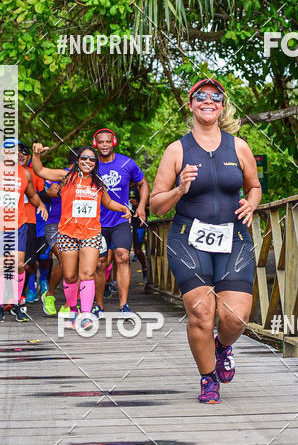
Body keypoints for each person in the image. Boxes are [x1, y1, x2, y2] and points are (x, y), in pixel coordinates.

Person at [150, 78, 261, 403]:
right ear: (191, 104)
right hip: (189, 239)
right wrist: (179, 190)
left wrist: (252, 203)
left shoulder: (238, 146)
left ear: (222, 105)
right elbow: (155, 205)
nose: (208, 101)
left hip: (234, 237)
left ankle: (222, 346)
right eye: (201, 96)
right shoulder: (177, 150)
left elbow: (254, 186)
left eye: (215, 96)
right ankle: (207, 377)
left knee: (235, 317)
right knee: (201, 313)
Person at [31, 142, 131, 323]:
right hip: (68, 234)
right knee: (69, 275)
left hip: (91, 234)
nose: (88, 161)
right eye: (84, 158)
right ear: (77, 160)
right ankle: (72, 310)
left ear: (95, 163)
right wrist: (36, 154)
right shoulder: (67, 176)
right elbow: (40, 171)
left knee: (87, 274)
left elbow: (107, 202)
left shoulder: (98, 182)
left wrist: (123, 208)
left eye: (92, 159)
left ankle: (85, 314)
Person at [0, 139, 49, 322]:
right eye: (11, 150)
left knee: (18, 265)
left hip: (18, 224)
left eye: (19, 151)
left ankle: (16, 303)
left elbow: (32, 194)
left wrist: (41, 205)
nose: (16, 153)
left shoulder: (25, 173)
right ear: (3, 152)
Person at [92, 128, 149, 314]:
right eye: (101, 142)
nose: (104, 145)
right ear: (95, 144)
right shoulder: (91, 165)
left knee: (123, 256)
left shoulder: (127, 163)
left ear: (113, 142)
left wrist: (140, 207)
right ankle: (98, 306)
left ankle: (123, 305)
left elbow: (142, 183)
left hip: (121, 220)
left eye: (108, 141)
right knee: (100, 263)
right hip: (97, 223)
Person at [40, 146, 81, 316]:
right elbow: (50, 191)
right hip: (56, 224)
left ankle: (68, 305)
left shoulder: (89, 178)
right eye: (85, 159)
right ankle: (49, 295)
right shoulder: (63, 174)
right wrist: (67, 191)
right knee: (65, 262)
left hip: (78, 226)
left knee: (75, 263)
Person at [17, 143, 46, 303]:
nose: (20, 155)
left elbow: (41, 195)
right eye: (16, 152)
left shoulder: (32, 174)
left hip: (29, 221)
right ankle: (10, 297)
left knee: (27, 262)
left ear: (28, 157)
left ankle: (29, 290)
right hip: (4, 223)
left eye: (24, 153)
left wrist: (43, 204)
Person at [130, 189, 148, 284]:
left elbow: (149, 206)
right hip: (126, 222)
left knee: (138, 250)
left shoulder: (143, 189)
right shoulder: (126, 186)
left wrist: (138, 204)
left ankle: (144, 268)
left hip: (139, 223)